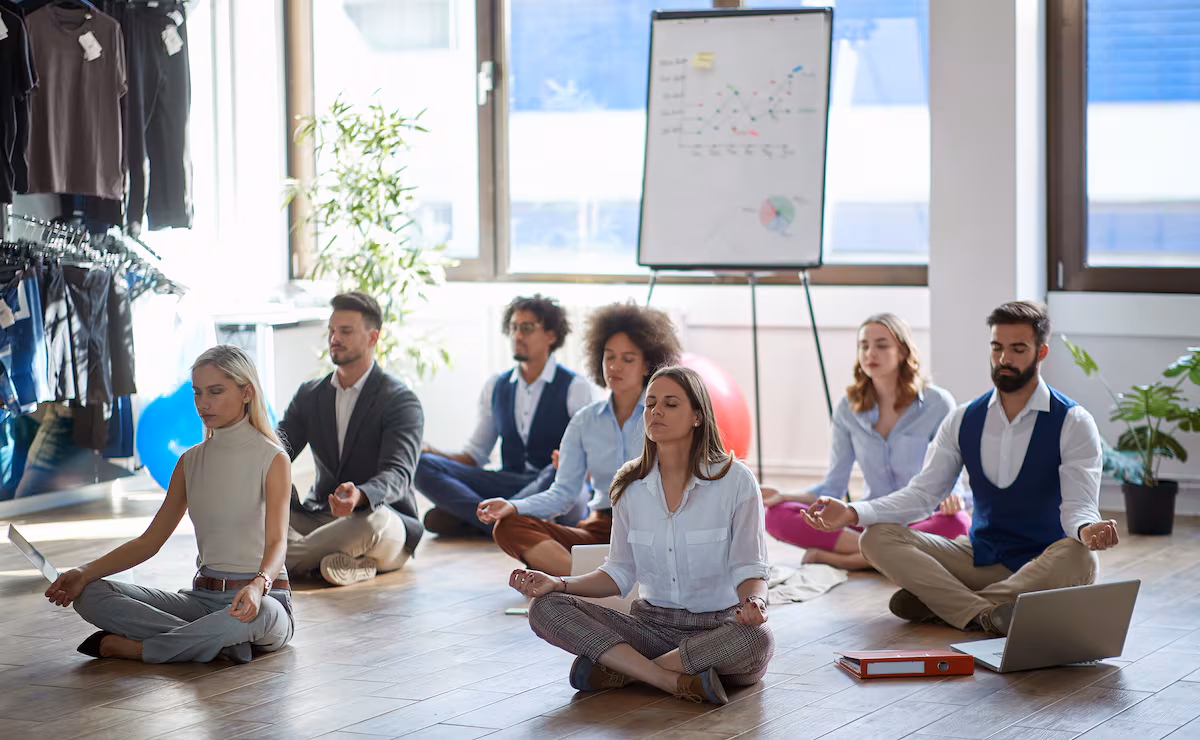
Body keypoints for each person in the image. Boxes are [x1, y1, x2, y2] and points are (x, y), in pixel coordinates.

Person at [803, 301, 1120, 635]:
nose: (1004, 360)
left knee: (1081, 558)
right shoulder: (963, 419)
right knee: (876, 536)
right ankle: (986, 612)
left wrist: (1087, 528)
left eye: (1017, 349)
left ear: (1040, 353)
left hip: (1043, 563)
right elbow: (922, 495)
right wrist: (852, 512)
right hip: (978, 558)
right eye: (997, 348)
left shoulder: (1073, 421)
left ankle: (946, 606)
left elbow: (1078, 505)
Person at [510, 366, 774, 706]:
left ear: (698, 416)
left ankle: (625, 671)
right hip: (650, 630)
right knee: (544, 608)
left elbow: (750, 568)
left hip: (719, 631)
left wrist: (756, 602)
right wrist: (558, 583)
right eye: (650, 404)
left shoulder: (735, 480)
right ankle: (667, 680)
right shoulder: (629, 484)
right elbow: (619, 572)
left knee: (758, 640)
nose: (656, 412)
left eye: (670, 403)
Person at [44, 346, 293, 664]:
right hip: (202, 601)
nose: (203, 403)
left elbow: (277, 542)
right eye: (198, 392)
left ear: (247, 393)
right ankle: (220, 644)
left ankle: (148, 649)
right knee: (89, 594)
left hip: (264, 599)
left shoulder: (273, 458)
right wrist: (83, 572)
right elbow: (150, 542)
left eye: (216, 392)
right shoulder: (189, 462)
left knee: (265, 615)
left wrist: (259, 586)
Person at [480, 302, 683, 576]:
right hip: (601, 530)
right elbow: (562, 494)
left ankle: (593, 581)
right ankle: (587, 583)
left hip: (656, 530)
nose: (615, 366)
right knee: (508, 525)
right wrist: (513, 505)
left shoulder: (667, 413)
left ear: (647, 364)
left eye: (627, 359)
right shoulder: (584, 420)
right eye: (609, 357)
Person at [761, 313, 970, 570]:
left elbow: (951, 476)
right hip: (869, 518)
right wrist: (784, 494)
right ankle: (882, 555)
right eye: (864, 345)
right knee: (776, 515)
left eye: (882, 345)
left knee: (959, 524)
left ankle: (850, 561)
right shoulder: (848, 409)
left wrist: (954, 498)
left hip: (923, 517)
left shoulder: (938, 403)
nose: (871, 353)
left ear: (903, 351)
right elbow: (834, 487)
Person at [277, 292, 425, 586]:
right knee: (264, 503)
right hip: (320, 518)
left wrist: (361, 495)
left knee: (373, 521)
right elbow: (278, 451)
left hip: (382, 521)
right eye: (332, 331)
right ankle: (344, 564)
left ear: (373, 338)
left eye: (346, 331)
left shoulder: (400, 400)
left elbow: (399, 475)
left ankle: (277, 560)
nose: (335, 338)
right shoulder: (310, 395)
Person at [417, 294, 593, 535]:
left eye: (527, 328)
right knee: (422, 465)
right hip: (508, 481)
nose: (517, 336)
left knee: (561, 467)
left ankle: (483, 518)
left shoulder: (575, 387)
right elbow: (474, 456)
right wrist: (429, 451)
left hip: (551, 485)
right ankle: (499, 523)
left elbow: (585, 458)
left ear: (551, 335)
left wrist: (567, 465)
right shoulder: (497, 386)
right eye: (513, 328)